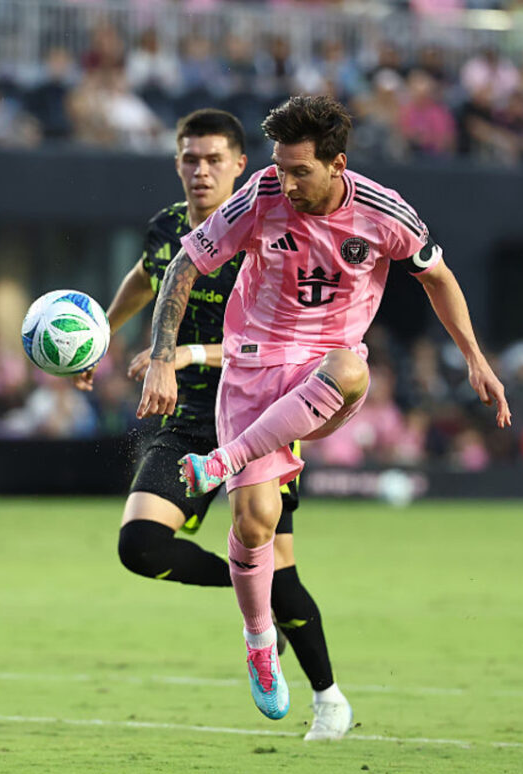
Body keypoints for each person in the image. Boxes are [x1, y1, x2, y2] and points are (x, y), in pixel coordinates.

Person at [137, 96, 510, 721]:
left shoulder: (384, 213)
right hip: (252, 368)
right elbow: (184, 264)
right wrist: (158, 355)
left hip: (323, 369)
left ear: (337, 164)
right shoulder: (258, 196)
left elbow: (438, 278)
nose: (286, 182)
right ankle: (260, 642)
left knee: (352, 366)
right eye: (280, 168)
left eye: (300, 171)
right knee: (255, 523)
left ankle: (222, 460)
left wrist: (475, 357)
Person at [76, 109, 352, 741]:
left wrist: (182, 355)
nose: (199, 171)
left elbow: (286, 344)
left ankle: (329, 698)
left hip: (257, 413)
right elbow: (147, 280)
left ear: (239, 167)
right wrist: (98, 337)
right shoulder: (169, 228)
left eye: (212, 160)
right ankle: (249, 600)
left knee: (280, 571)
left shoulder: (263, 233)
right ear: (176, 163)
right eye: (188, 159)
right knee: (139, 547)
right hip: (182, 419)